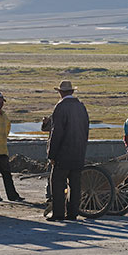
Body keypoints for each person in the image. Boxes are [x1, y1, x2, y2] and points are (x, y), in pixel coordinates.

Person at [46, 80, 90, 220]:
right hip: (78, 152)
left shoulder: (60, 107)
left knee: (58, 183)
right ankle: (73, 213)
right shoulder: (81, 107)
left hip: (63, 153)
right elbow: (86, 130)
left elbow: (57, 132)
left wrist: (51, 154)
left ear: (60, 92)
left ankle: (58, 213)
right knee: (75, 185)